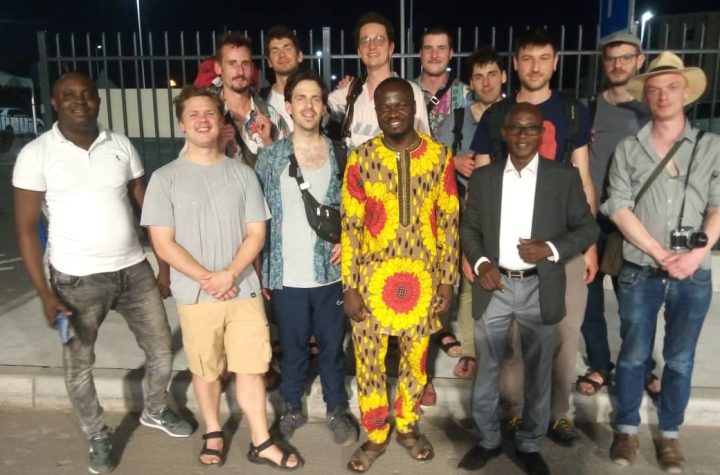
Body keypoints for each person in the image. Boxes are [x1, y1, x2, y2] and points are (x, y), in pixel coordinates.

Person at [13, 72, 192, 474]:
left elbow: (149, 210)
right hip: (75, 280)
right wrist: (45, 294)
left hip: (133, 270)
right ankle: (97, 434)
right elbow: (25, 230)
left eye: (87, 94)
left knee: (162, 350)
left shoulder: (120, 145)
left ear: (98, 100)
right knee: (79, 365)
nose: (79, 101)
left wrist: (163, 265)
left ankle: (155, 409)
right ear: (54, 103)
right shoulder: (36, 155)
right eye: (68, 95)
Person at [141, 86, 301, 470]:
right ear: (182, 124)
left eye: (209, 113)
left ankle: (261, 441)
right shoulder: (165, 178)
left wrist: (229, 274)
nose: (202, 120)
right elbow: (162, 242)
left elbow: (256, 233)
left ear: (220, 121)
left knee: (252, 368)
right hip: (196, 296)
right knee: (206, 369)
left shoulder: (242, 174)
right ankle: (213, 432)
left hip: (242, 290)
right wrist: (207, 278)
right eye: (193, 114)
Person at [471, 27, 597, 446]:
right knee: (507, 343)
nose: (536, 66)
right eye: (527, 58)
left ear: (556, 62)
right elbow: (481, 187)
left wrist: (586, 247)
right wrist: (478, 257)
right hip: (506, 255)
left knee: (562, 336)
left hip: (561, 248)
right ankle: (513, 413)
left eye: (544, 57)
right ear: (516, 64)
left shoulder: (572, 112)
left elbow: (583, 177)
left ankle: (555, 416)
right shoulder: (496, 116)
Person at [603, 51, 719, 473]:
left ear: (686, 92)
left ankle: (670, 434)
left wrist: (696, 255)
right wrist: (658, 251)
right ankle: (627, 428)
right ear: (645, 95)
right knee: (632, 356)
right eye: (654, 89)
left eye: (671, 87)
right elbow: (618, 206)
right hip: (640, 269)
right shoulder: (628, 150)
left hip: (693, 274)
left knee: (680, 359)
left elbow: (718, 206)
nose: (663, 95)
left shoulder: (711, 147)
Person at [341, 77, 459, 472]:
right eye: (385, 107)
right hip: (370, 283)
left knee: (416, 360)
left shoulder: (439, 156)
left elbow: (449, 221)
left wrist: (447, 279)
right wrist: (350, 286)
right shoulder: (361, 158)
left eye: (401, 104)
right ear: (376, 112)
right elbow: (350, 226)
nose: (393, 113)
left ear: (414, 107)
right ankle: (375, 433)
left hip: (423, 281)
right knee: (368, 363)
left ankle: (407, 426)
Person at [255, 70, 357, 445]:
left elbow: (359, 209)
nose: (309, 106)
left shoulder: (343, 154)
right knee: (293, 348)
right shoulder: (270, 158)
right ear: (288, 105)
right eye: (301, 98)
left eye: (316, 98)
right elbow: (257, 216)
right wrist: (261, 269)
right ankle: (292, 406)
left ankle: (336, 409)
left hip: (331, 273)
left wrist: (349, 239)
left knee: (332, 349)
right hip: (287, 275)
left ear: (325, 107)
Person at [577, 31, 657, 397]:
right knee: (589, 303)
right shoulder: (589, 109)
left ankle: (642, 368)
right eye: (611, 58)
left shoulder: (650, 110)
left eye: (625, 57)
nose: (618, 64)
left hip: (633, 222)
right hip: (593, 219)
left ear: (640, 60)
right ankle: (599, 366)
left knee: (635, 306)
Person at [434, 45, 508, 380]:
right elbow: (433, 159)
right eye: (479, 76)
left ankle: (504, 349)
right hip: (467, 211)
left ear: (503, 76)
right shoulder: (459, 119)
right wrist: (453, 161)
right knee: (468, 280)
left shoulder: (515, 115)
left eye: (492, 74)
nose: (486, 82)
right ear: (471, 83)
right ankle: (470, 349)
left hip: (508, 212)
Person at [328, 11, 430, 150]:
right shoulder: (349, 92)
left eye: (379, 39)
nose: (372, 46)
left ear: (391, 48)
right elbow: (316, 107)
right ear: (359, 51)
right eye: (365, 41)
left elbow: (424, 146)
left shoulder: (411, 91)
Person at [213, 31, 289, 168]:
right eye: (232, 63)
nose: (240, 71)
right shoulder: (208, 114)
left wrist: (268, 142)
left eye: (245, 64)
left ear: (252, 68)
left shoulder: (271, 116)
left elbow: (283, 169)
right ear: (218, 67)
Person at [415, 25, 469, 137]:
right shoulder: (407, 92)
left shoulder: (467, 95)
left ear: (451, 53)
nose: (434, 55)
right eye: (428, 48)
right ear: (420, 53)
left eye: (441, 48)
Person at [260, 25, 304, 131]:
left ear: (300, 56)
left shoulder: (316, 95)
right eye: (275, 51)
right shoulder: (260, 100)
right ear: (269, 62)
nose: (282, 55)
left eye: (287, 49)